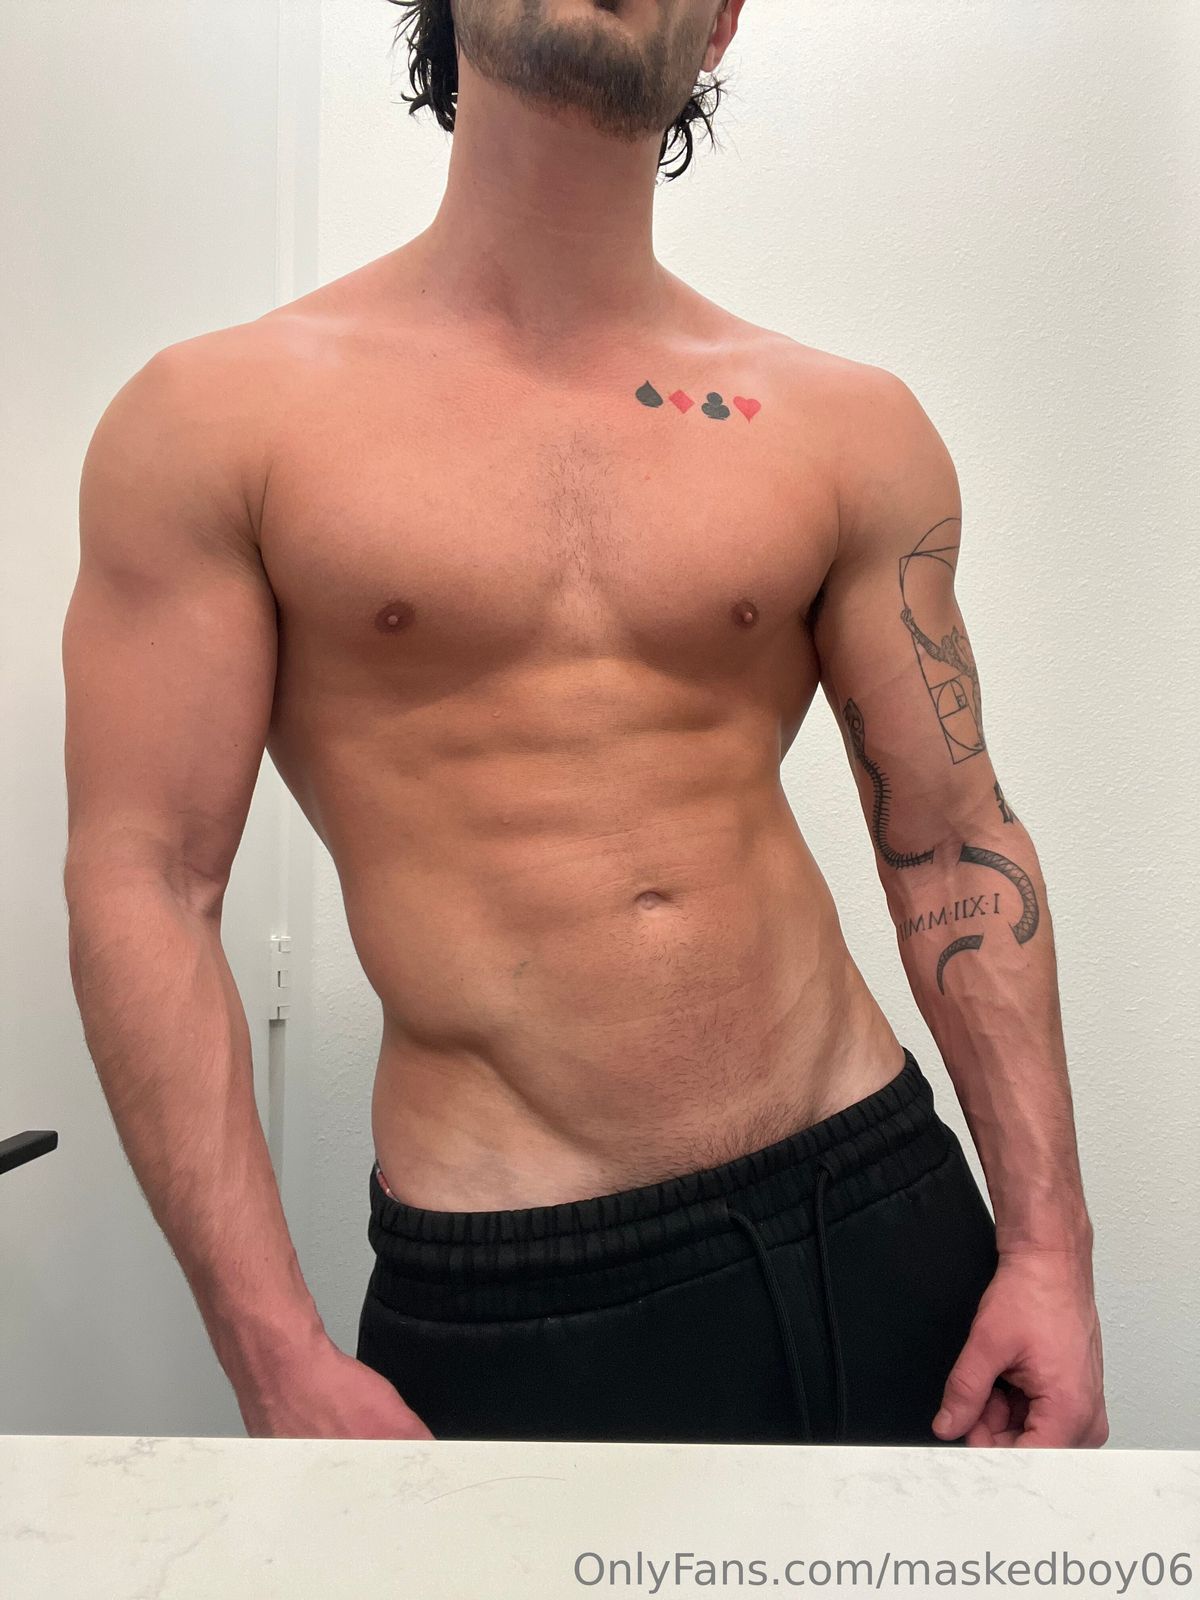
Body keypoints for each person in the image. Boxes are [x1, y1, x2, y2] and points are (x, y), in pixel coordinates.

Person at [61, 0, 1107, 1448]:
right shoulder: (216, 422)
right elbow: (147, 881)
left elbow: (950, 844)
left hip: (881, 1212)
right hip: (518, 1290)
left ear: (721, 22)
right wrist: (270, 1350)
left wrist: (1051, 1250)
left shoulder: (847, 426)